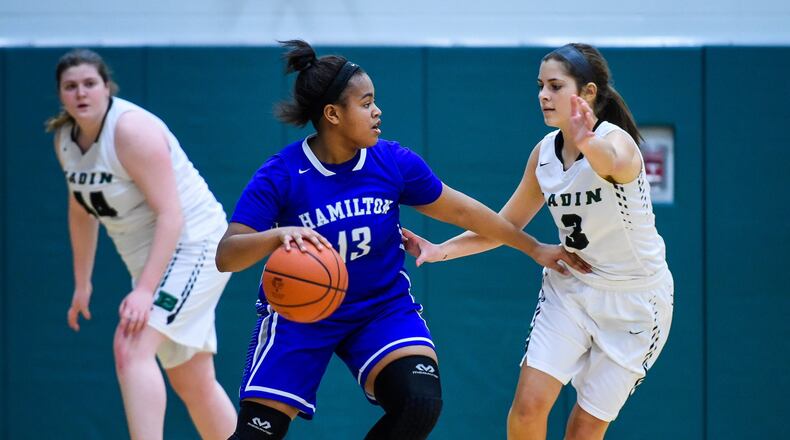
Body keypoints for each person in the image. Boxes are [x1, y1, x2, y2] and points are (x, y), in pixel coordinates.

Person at [215, 40, 589, 440]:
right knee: (257, 435)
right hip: (300, 315)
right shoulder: (282, 174)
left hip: (379, 307)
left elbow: (463, 211)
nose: (377, 111)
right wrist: (278, 236)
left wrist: (533, 247)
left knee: (420, 402)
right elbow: (227, 256)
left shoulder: (392, 162)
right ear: (332, 114)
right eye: (366, 103)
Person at [403, 43, 674, 439]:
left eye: (555, 86)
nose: (543, 95)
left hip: (635, 302)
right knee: (527, 408)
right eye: (540, 86)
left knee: (583, 430)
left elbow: (610, 164)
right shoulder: (544, 155)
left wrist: (587, 140)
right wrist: (441, 249)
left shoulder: (617, 143)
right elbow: (503, 225)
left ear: (588, 94)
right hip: (570, 287)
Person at [47, 49, 236, 440]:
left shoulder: (131, 131)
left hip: (196, 244)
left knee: (131, 344)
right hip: (155, 257)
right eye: (71, 86)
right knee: (193, 381)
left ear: (106, 87)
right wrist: (83, 284)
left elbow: (172, 215)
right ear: (61, 95)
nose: (81, 93)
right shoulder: (66, 140)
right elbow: (81, 210)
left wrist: (146, 290)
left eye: (89, 83)